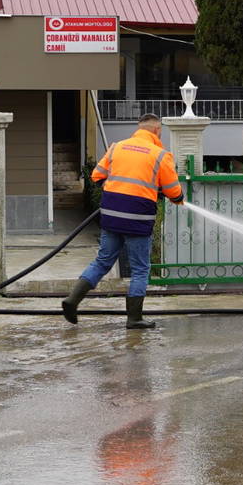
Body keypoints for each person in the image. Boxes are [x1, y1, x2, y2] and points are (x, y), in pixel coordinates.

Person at [62, 113, 183, 329]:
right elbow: (173, 191)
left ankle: (72, 300)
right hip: (138, 219)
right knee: (140, 269)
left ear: (138, 129)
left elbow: (97, 176)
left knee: (103, 261)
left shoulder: (117, 147)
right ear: (156, 131)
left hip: (111, 215)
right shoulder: (161, 155)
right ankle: (134, 318)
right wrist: (176, 198)